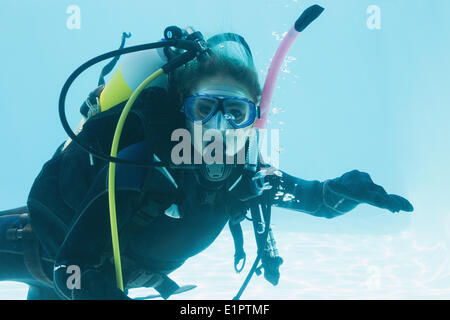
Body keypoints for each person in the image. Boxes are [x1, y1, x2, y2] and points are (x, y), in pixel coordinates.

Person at [0, 29, 413, 300]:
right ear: (184, 112)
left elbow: (315, 200)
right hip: (32, 248)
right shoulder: (143, 159)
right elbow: (73, 264)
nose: (219, 128)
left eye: (235, 113)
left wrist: (344, 191)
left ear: (254, 120)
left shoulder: (246, 177)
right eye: (204, 109)